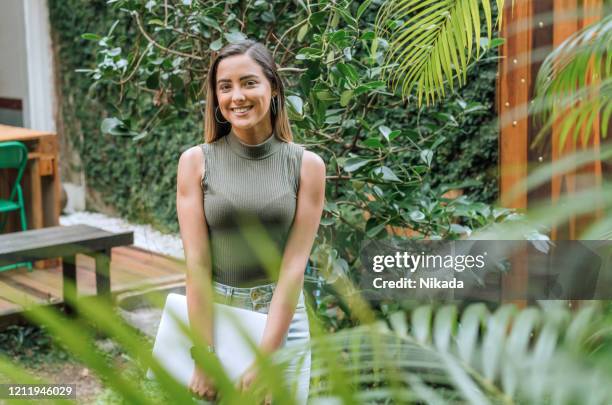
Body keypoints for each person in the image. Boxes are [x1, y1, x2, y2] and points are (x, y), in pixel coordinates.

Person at [176, 39, 325, 404]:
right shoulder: (195, 162)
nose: (237, 96)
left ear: (272, 87)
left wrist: (267, 358)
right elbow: (196, 265)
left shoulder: (307, 167)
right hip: (216, 319)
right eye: (225, 87)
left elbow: (293, 269)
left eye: (249, 82)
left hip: (282, 323)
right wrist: (204, 355)